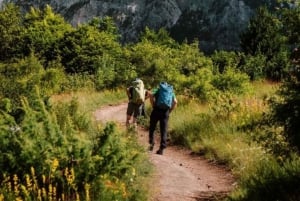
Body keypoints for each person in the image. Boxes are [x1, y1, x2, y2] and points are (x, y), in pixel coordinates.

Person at [148, 82, 178, 155]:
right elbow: (175, 102)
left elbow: (151, 95)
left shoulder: (158, 89)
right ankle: (161, 148)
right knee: (163, 130)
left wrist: (153, 105)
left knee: (152, 127)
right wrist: (170, 110)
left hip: (156, 110)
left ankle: (151, 144)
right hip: (165, 112)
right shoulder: (170, 91)